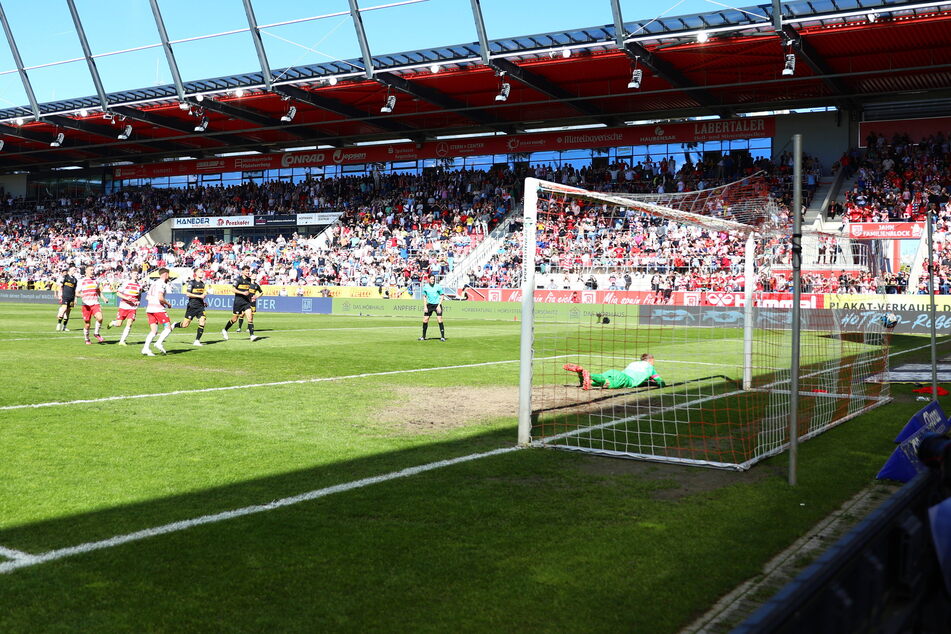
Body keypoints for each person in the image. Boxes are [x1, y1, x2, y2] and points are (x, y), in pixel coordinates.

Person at [563, 354, 665, 391]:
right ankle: (589, 374)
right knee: (606, 383)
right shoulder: (650, 368)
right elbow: (660, 382)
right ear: (650, 360)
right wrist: (660, 383)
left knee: (592, 382)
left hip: (615, 372)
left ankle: (582, 373)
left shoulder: (634, 363)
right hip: (624, 380)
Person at [170, 268, 208, 346]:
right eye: (200, 272)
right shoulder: (192, 283)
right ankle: (175, 325)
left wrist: (203, 302)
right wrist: (200, 296)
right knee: (185, 325)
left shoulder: (202, 284)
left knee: (202, 321)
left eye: (202, 272)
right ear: (196, 273)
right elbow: (188, 294)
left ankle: (197, 340)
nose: (202, 273)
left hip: (200, 307)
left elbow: (201, 295)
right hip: (192, 306)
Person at [221, 265, 258, 342]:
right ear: (242, 271)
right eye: (246, 271)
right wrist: (242, 293)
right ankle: (225, 330)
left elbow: (248, 291)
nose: (248, 272)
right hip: (238, 302)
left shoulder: (249, 280)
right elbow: (233, 289)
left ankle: (252, 335)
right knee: (234, 319)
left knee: (250, 317)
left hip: (246, 302)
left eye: (248, 271)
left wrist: (252, 296)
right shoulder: (238, 279)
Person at [142, 268, 173, 356]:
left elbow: (147, 297)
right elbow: (160, 297)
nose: (169, 277)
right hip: (158, 309)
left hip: (150, 309)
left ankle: (145, 348)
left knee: (154, 331)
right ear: (166, 274)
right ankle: (158, 343)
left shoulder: (154, 283)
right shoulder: (162, 284)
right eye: (168, 275)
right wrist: (168, 304)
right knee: (168, 328)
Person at [109, 272, 143, 346]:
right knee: (119, 324)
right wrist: (126, 298)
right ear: (131, 275)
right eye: (135, 274)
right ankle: (113, 322)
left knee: (129, 323)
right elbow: (118, 293)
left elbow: (139, 294)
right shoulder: (126, 283)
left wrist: (138, 301)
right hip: (124, 306)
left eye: (137, 274)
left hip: (133, 307)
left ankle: (122, 341)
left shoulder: (139, 285)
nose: (136, 275)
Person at [77, 266, 105, 345]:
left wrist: (103, 297)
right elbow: (77, 293)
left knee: (100, 318)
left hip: (95, 303)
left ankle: (96, 333)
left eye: (93, 270)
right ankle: (87, 338)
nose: (92, 271)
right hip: (86, 305)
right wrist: (81, 295)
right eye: (91, 270)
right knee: (87, 324)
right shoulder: (81, 281)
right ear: (86, 271)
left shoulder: (96, 281)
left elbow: (98, 291)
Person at [419, 274, 445, 341]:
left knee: (439, 319)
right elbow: (424, 297)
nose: (432, 280)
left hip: (437, 305)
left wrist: (439, 305)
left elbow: (442, 295)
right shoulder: (426, 287)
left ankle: (442, 337)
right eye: (431, 279)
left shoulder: (438, 286)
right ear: (428, 279)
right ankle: (423, 336)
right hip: (429, 305)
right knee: (425, 320)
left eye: (433, 279)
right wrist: (425, 307)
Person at [55, 266, 78, 332]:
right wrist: (60, 294)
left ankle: (64, 327)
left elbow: (75, 290)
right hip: (65, 296)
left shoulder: (75, 279)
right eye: (73, 269)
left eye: (75, 269)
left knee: (68, 312)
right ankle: (59, 324)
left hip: (71, 297)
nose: (74, 270)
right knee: (63, 309)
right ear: (69, 270)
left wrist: (75, 298)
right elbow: (60, 286)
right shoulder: (65, 277)